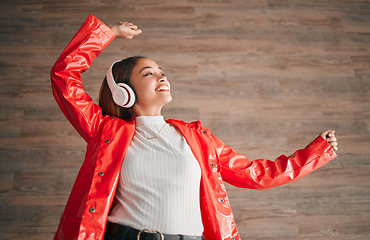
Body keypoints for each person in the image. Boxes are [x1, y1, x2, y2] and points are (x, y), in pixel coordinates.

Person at [51, 14, 338, 240]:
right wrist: (109, 32)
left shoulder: (196, 138)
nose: (161, 77)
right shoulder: (105, 131)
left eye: (162, 72)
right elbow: (64, 76)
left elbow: (255, 174)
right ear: (123, 92)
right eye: (148, 73)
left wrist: (317, 152)